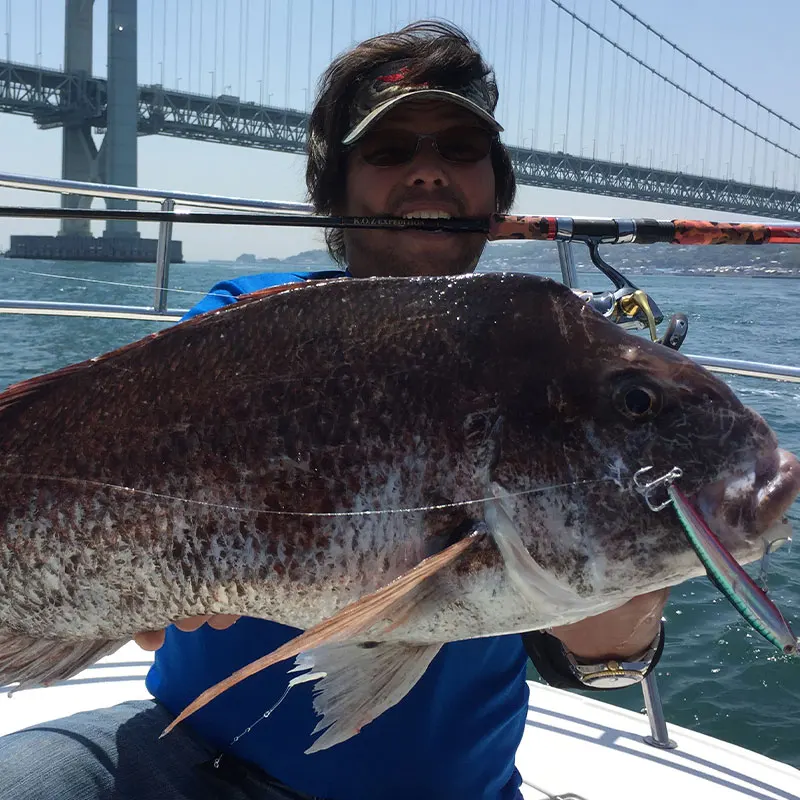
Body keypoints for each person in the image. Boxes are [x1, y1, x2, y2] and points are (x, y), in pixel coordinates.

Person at [0, 21, 668, 800]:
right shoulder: (243, 323)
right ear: (339, 185)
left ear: (494, 185)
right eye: (389, 151)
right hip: (186, 756)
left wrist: (634, 577)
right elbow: (110, 468)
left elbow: (597, 659)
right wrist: (134, 595)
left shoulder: (549, 368)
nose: (427, 172)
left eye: (459, 148)